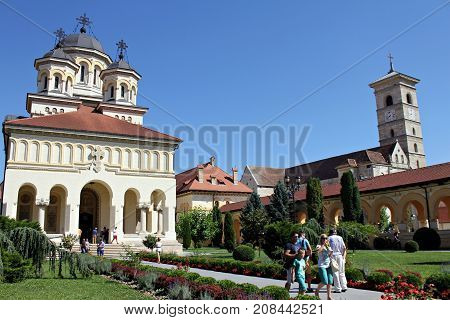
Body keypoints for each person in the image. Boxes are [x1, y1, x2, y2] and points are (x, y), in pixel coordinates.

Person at [328, 229, 348, 293]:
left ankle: (338, 289)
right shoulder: (340, 237)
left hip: (333, 256)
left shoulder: (329, 238)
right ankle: (344, 287)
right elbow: (344, 248)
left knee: (335, 272)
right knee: (342, 272)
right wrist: (343, 256)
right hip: (340, 255)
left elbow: (328, 248)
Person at [315, 234, 334, 300]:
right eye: (323, 238)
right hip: (322, 265)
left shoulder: (328, 246)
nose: (325, 239)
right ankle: (317, 290)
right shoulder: (319, 246)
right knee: (325, 281)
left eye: (326, 238)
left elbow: (330, 255)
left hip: (328, 265)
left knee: (330, 281)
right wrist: (323, 245)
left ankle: (329, 296)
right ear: (321, 239)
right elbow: (318, 252)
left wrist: (330, 252)